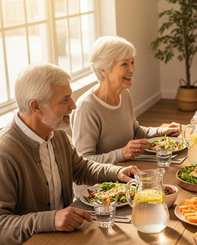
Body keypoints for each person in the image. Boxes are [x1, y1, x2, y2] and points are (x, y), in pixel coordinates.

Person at [0, 63, 140, 244]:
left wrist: (116, 172)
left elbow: (81, 168)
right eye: (65, 99)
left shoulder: (56, 132)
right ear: (36, 106)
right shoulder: (5, 153)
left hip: (70, 235)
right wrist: (51, 219)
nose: (73, 105)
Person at [71, 36, 181, 164]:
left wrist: (162, 131)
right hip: (101, 182)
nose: (132, 70)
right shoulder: (86, 108)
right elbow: (84, 161)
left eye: (132, 62)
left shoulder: (124, 94)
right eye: (124, 64)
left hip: (126, 169)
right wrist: (122, 153)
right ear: (103, 70)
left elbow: (135, 131)